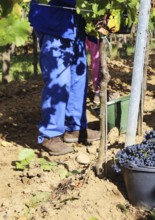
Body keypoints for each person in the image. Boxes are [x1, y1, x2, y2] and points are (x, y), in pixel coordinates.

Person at [29, 0, 100, 156]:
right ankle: (50, 134)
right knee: (58, 80)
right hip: (53, 20)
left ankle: (75, 128)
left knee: (78, 78)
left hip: (76, 23)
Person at [86, 35, 102, 104]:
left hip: (81, 31)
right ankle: (97, 92)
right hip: (93, 33)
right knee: (96, 62)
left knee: (80, 60)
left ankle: (81, 90)